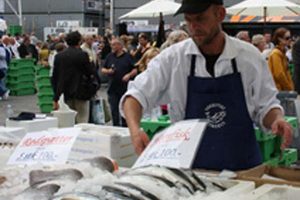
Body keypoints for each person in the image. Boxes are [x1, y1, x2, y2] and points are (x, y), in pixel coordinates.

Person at [120, 0, 292, 171]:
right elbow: (136, 95)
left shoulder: (249, 57)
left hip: (244, 170)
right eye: (189, 20)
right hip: (192, 173)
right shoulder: (173, 58)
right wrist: (135, 131)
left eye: (200, 18)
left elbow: (267, 105)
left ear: (220, 15)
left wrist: (276, 119)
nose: (193, 27)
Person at [52, 31, 97, 123]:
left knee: (69, 119)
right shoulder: (83, 55)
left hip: (65, 91)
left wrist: (55, 97)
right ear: (79, 41)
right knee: (82, 118)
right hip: (81, 90)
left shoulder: (59, 56)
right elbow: (90, 72)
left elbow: (55, 77)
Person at [102, 38, 137, 127]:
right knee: (114, 110)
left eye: (114, 45)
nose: (112, 47)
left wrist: (128, 75)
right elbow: (103, 69)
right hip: (112, 88)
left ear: (120, 46)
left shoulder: (128, 57)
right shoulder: (109, 56)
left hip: (125, 88)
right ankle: (116, 126)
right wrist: (108, 71)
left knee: (125, 110)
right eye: (111, 45)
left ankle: (126, 127)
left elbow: (135, 69)